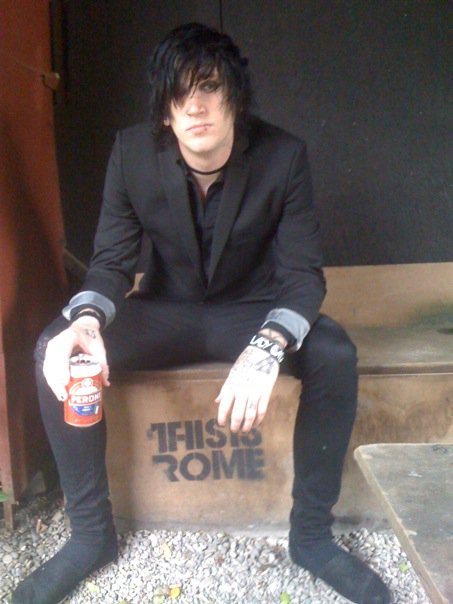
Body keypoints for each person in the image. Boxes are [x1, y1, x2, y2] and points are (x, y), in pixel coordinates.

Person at [13, 23, 391, 604]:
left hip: (252, 313)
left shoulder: (283, 155)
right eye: (179, 92)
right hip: (165, 310)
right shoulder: (132, 154)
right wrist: (85, 322)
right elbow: (111, 263)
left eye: (210, 87)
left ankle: (312, 536)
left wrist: (267, 346)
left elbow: (301, 277)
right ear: (164, 111)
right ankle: (90, 535)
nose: (195, 105)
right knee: (55, 346)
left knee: (334, 352)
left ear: (234, 97)